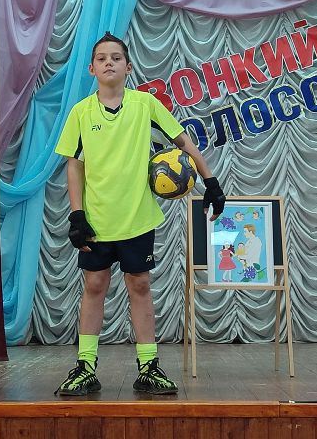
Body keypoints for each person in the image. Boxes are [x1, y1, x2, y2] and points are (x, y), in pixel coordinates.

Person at [53, 31, 225, 396]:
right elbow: (74, 165)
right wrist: (76, 215)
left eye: (116, 58)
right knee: (94, 285)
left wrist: (211, 181)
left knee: (140, 285)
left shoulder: (145, 104)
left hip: (137, 217)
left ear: (129, 67)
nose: (109, 63)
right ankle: (85, 365)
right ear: (92, 69)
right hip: (98, 219)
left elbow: (183, 142)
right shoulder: (81, 112)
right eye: (102, 58)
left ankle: (149, 366)